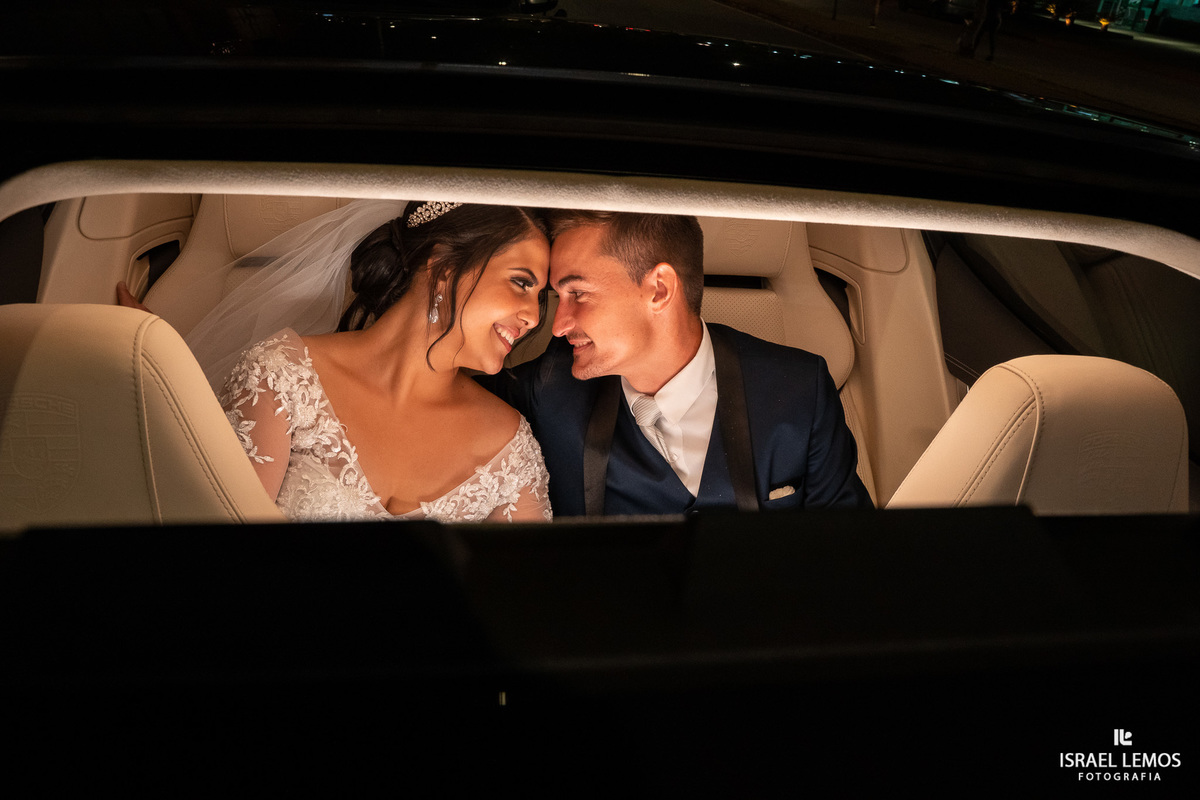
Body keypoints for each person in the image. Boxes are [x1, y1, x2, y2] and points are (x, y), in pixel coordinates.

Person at [121, 200, 554, 523]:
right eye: (521, 283)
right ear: (443, 267)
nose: (534, 317)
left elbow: (523, 599)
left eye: (540, 297)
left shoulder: (511, 449)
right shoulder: (283, 377)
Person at [484, 210, 873, 517]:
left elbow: (847, 555)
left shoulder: (800, 390)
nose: (558, 326)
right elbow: (448, 393)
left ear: (659, 289)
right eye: (558, 297)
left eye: (579, 294)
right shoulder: (549, 389)